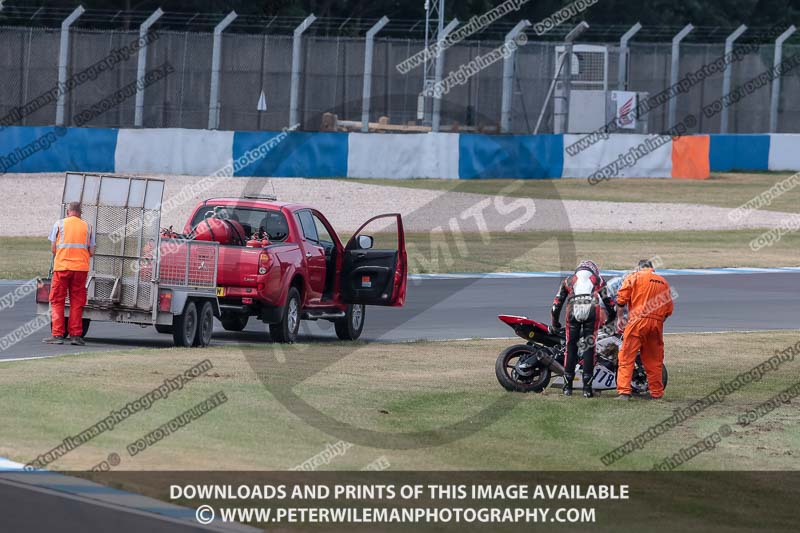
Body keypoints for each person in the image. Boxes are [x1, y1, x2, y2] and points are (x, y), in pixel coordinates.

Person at [551, 260, 617, 398]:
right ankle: (587, 389)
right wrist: (610, 321)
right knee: (589, 349)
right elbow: (610, 303)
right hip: (592, 311)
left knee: (571, 348)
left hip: (573, 311)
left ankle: (567, 387)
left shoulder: (568, 280)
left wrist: (555, 323)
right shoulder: (598, 279)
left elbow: (556, 305)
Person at [614, 259, 674, 400]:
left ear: (639, 268)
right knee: (654, 360)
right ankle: (656, 393)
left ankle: (624, 392)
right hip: (656, 324)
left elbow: (621, 300)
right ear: (652, 268)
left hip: (637, 321)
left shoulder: (633, 277)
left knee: (627, 356)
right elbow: (668, 310)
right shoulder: (663, 282)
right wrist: (656, 322)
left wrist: (620, 320)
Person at [43, 202, 96, 346]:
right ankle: (75, 336)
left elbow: (53, 249)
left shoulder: (59, 224)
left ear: (68, 212)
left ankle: (58, 335)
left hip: (62, 268)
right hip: (80, 270)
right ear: (80, 213)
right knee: (77, 303)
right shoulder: (88, 227)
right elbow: (91, 252)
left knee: (57, 301)